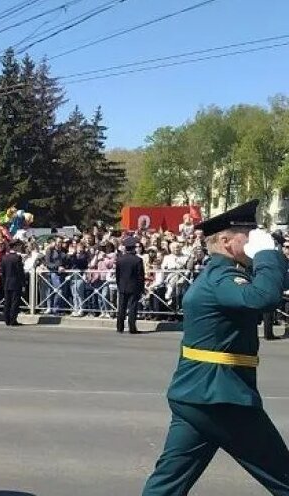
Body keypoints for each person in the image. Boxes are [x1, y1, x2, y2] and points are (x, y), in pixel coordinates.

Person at [143, 199, 289, 494]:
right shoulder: (225, 277)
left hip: (197, 394)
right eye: (247, 235)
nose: (252, 241)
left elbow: (273, 284)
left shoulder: (219, 275)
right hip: (221, 397)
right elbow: (263, 298)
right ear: (225, 241)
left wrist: (269, 257)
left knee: (167, 486)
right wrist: (265, 254)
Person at [115, 237, 145, 334]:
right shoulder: (138, 260)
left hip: (123, 286)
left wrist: (119, 285)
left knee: (121, 307)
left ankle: (120, 327)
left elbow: (117, 275)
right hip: (134, 286)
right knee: (132, 307)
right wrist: (141, 287)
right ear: (133, 248)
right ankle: (132, 328)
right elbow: (140, 276)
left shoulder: (120, 259)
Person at [0, 240, 25, 326]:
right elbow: (20, 272)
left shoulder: (4, 257)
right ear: (14, 247)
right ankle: (13, 320)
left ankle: (7, 319)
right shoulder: (17, 258)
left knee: (7, 302)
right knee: (14, 302)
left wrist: (4, 282)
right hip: (15, 283)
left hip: (7, 283)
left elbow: (2, 272)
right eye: (18, 246)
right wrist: (23, 283)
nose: (19, 247)